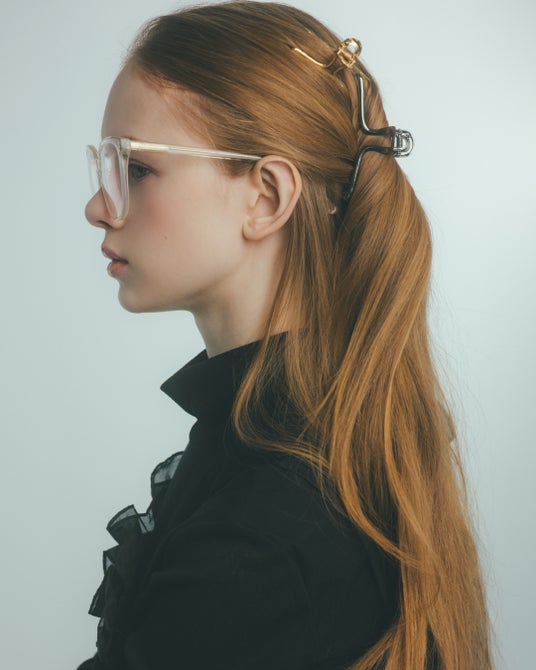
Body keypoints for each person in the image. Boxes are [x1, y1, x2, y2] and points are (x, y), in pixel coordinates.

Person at [80, 2, 493, 669]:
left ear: (267, 196)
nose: (98, 207)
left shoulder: (262, 538)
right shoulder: (306, 443)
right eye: (103, 166)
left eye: (137, 169)